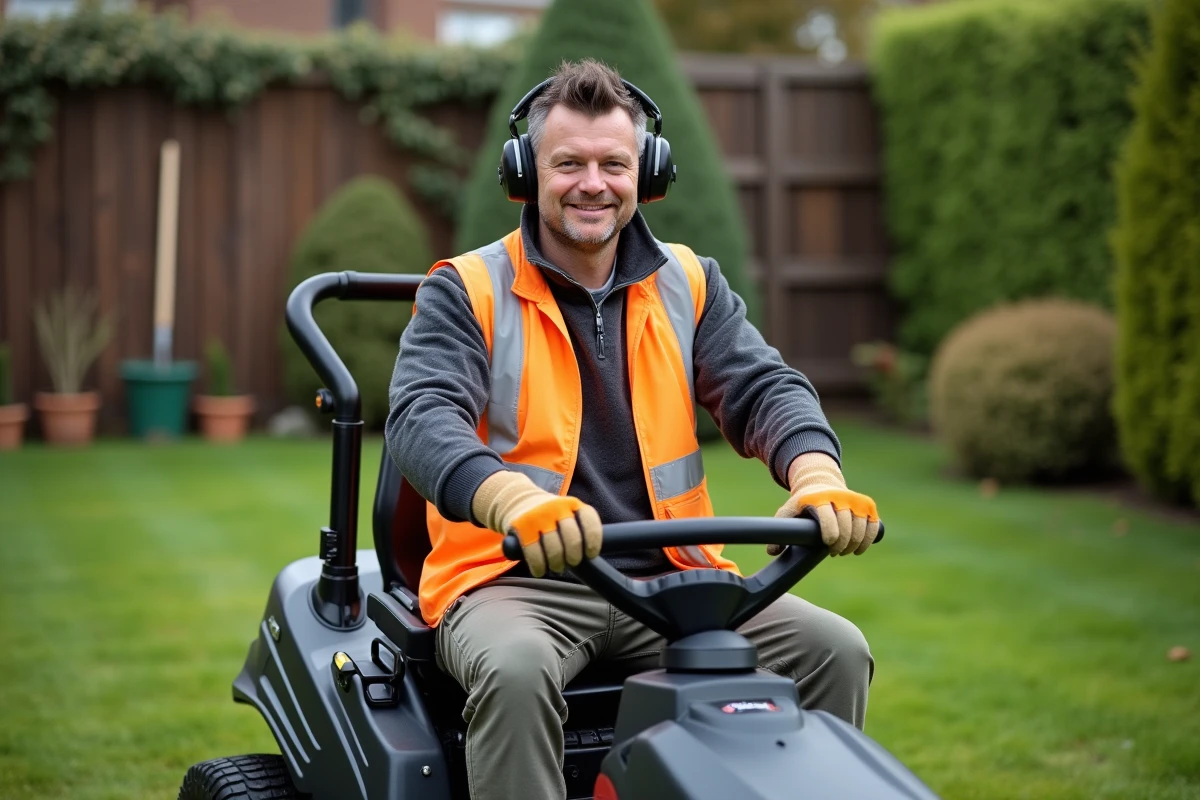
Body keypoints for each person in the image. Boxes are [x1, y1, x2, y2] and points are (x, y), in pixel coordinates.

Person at [386, 58, 882, 800]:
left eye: (613, 164)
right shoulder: (468, 289)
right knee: (516, 670)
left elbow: (763, 388)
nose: (593, 183)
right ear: (526, 173)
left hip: (673, 577)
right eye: (569, 164)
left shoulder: (690, 281)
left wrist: (816, 473)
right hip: (517, 581)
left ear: (645, 173)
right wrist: (513, 501)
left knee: (834, 648)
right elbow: (421, 416)